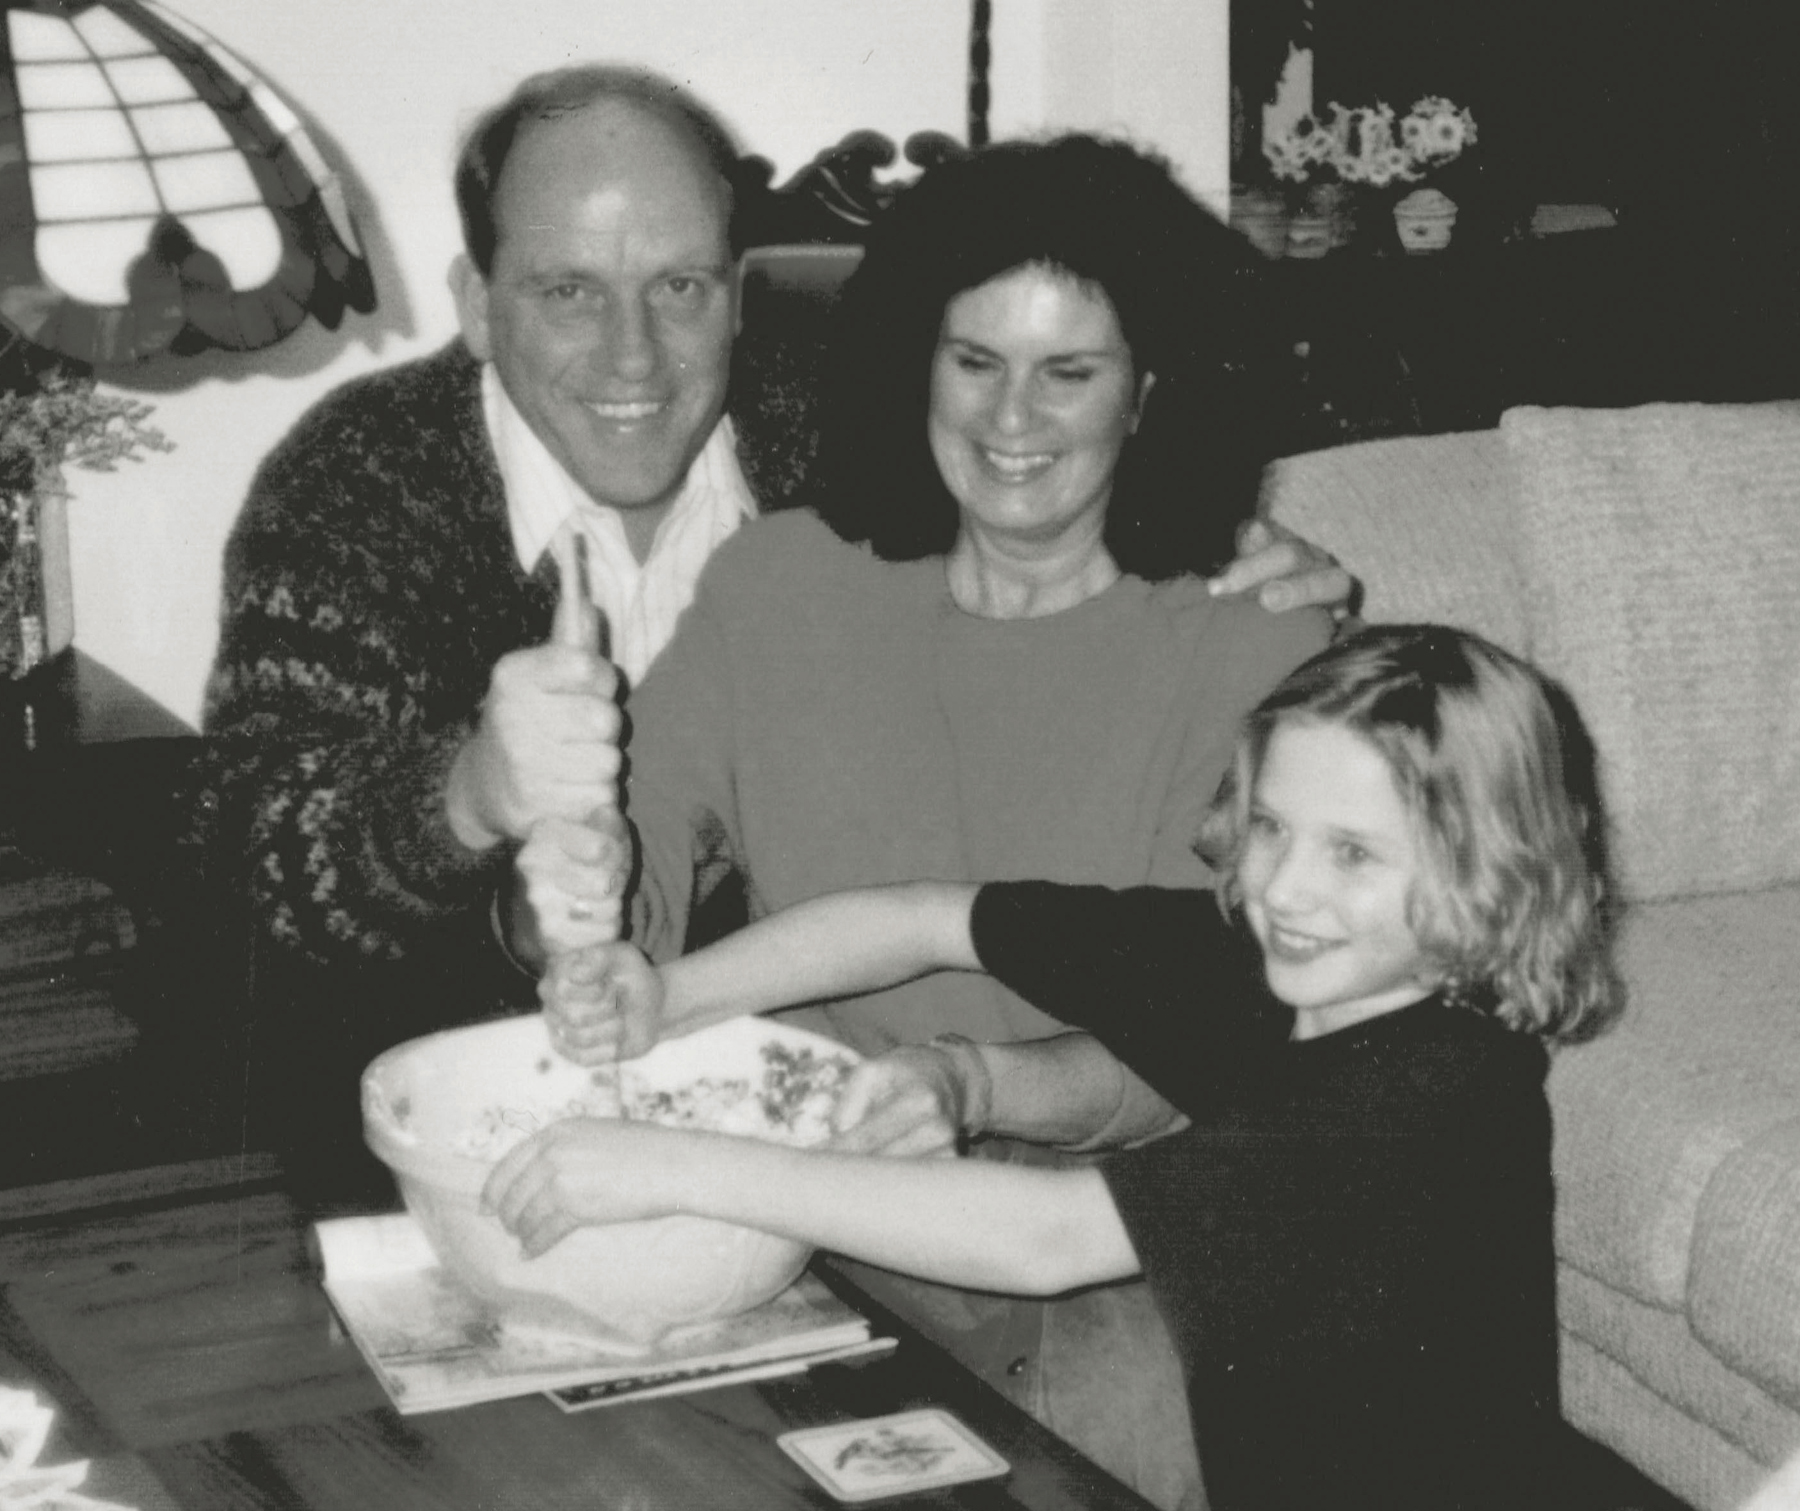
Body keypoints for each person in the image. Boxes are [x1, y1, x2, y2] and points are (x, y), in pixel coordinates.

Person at [198, 66, 1348, 1214]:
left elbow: (1212, 1012)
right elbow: (267, 861)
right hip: (508, 1115)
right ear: (477, 299)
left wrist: (1249, 562)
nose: (634, 357)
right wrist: (483, 809)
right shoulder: (369, 485)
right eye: (567, 291)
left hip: (1025, 1186)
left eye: (683, 286)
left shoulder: (816, 435)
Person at [512, 133, 1336, 1510]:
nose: (1014, 418)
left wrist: (968, 1084)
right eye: (975, 361)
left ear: (1151, 390)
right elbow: (632, 857)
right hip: (807, 1191)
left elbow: (1194, 1031)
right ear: (916, 365)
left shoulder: (1251, 644)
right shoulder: (780, 582)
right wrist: (587, 916)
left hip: (1104, 1230)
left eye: (1070, 370)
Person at [492, 624, 1625, 1511]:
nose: (1285, 887)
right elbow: (928, 915)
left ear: (1492, 870)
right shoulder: (1296, 963)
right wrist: (670, 995)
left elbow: (1049, 1237)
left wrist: (671, 1163)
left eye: (1353, 852)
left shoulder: (1434, 1089)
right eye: (1273, 827)